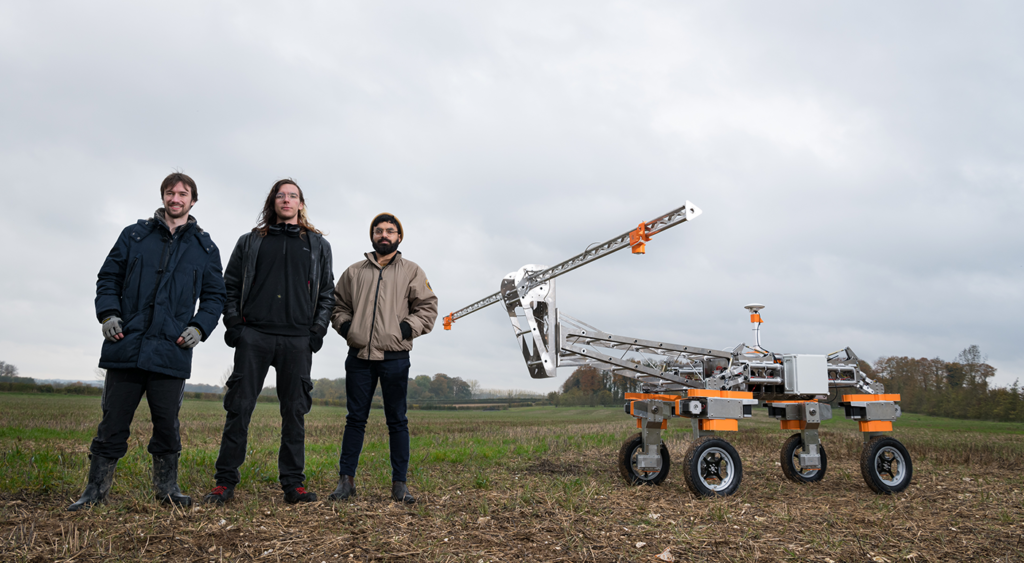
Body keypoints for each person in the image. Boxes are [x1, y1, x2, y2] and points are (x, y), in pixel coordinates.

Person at [70, 172, 226, 511]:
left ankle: (167, 489)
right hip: (127, 345)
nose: (176, 198)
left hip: (172, 349)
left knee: (167, 425)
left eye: (183, 194)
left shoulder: (205, 247)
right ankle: (94, 492)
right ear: (163, 197)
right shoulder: (134, 235)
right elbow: (108, 277)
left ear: (193, 201)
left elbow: (216, 297)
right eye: (170, 193)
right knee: (112, 423)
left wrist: (199, 328)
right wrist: (108, 314)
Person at [204, 179, 334, 505]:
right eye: (281, 195)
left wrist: (316, 332)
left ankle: (294, 485)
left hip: (297, 341)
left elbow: (327, 294)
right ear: (272, 202)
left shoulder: (317, 245)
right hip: (255, 337)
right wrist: (234, 324)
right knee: (239, 409)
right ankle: (224, 483)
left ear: (301, 204)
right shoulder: (251, 241)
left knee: (294, 413)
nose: (286, 200)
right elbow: (229, 285)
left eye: (292, 196)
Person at [328, 213, 437, 504]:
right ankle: (345, 481)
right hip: (359, 356)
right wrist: (349, 329)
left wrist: (406, 329)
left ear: (399, 237)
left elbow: (427, 307)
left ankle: (399, 485)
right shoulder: (354, 272)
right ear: (372, 236)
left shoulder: (412, 271)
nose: (384, 235)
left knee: (397, 421)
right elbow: (337, 306)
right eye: (379, 231)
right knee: (355, 420)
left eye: (390, 231)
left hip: (395, 357)